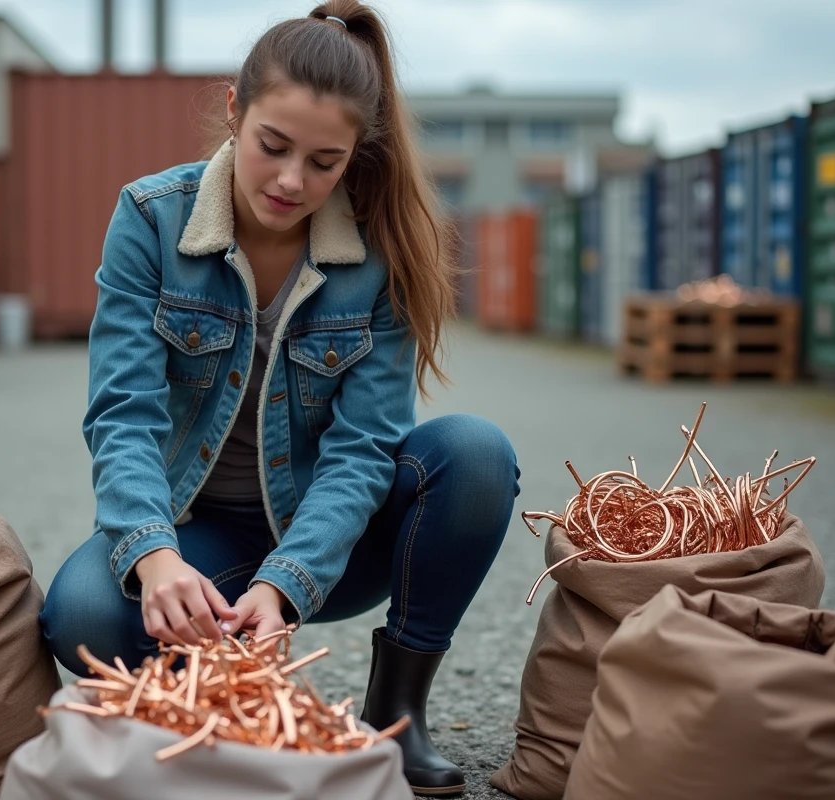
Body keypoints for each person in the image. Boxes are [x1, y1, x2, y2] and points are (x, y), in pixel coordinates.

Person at [40, 1, 519, 794]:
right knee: (87, 613)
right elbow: (122, 412)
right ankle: (213, 699)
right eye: (273, 147)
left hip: (332, 540)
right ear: (234, 109)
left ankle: (396, 718)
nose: (293, 181)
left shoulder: (381, 248)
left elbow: (365, 447)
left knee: (473, 454)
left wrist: (286, 583)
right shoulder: (150, 219)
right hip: (199, 533)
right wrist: (156, 560)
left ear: (353, 156)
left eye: (325, 162)